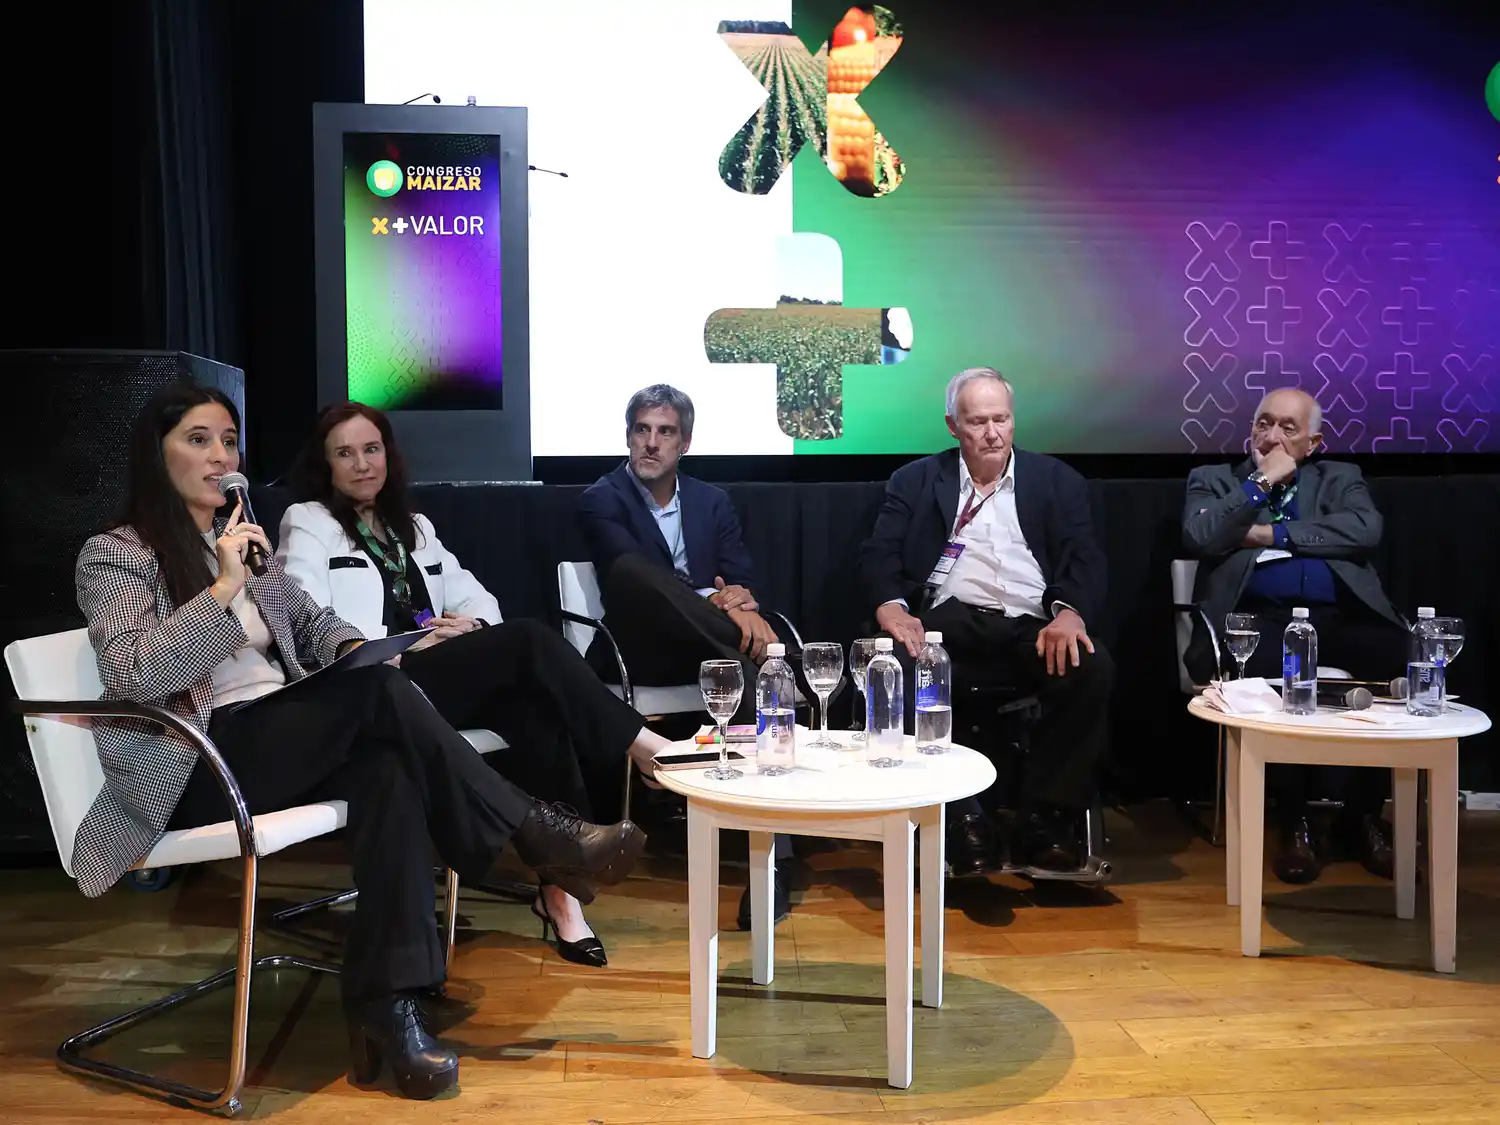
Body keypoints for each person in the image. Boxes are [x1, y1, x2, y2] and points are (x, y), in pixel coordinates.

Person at [75, 383, 644, 1101]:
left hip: (280, 736)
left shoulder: (247, 548)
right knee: (379, 700)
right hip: (197, 759)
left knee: (388, 766)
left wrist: (358, 644)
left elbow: (314, 626)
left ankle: (390, 1008)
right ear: (156, 457)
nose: (221, 455)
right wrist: (220, 591)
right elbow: (130, 672)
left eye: (228, 439)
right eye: (199, 439)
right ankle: (535, 828)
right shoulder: (117, 553)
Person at [278, 401, 676, 967]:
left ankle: (561, 896)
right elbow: (303, 614)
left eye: (372, 449)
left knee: (538, 708)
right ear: (326, 464)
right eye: (345, 453)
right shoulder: (309, 521)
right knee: (530, 641)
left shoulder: (413, 527)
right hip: (378, 684)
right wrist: (408, 644)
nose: (363, 464)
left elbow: (480, 600)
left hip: (439, 672)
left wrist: (467, 626)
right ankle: (643, 747)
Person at [856, 367, 1114, 875]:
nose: (992, 433)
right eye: (978, 422)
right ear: (953, 426)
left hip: (1030, 625)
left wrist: (1070, 613)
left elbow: (1084, 557)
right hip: (946, 627)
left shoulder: (1057, 482)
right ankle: (959, 819)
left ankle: (1046, 821)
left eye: (1002, 419)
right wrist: (890, 605)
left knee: (1092, 666)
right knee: (896, 668)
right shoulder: (916, 480)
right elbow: (878, 553)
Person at [576, 383, 795, 927]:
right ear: (628, 437)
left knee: (746, 675)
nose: (651, 443)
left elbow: (738, 572)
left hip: (706, 653)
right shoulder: (602, 498)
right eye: (641, 431)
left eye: (664, 432)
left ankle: (772, 863)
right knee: (634, 573)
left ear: (685, 442)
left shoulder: (711, 501)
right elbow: (631, 581)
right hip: (640, 648)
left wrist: (739, 598)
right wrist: (729, 613)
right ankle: (764, 655)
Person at [1183, 387, 1409, 885]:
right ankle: (1294, 819)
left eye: (1288, 428)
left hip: (1340, 616)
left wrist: (1270, 534)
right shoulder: (1216, 480)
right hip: (1256, 619)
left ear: (1313, 443)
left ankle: (1361, 816)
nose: (1272, 435)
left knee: (1398, 658)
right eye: (1264, 424)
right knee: (1275, 679)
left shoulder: (1340, 478)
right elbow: (1202, 536)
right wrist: (1261, 483)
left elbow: (1364, 530)